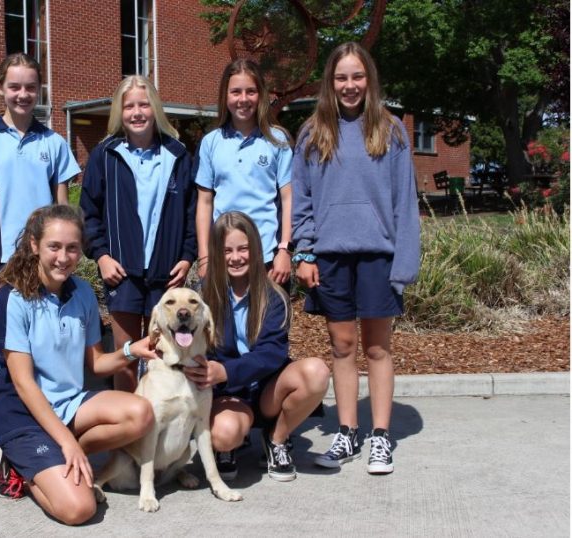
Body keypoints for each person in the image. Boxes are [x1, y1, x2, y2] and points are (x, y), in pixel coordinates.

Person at [291, 42, 420, 475]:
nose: (349, 85)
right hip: (330, 258)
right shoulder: (312, 133)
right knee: (342, 347)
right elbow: (302, 202)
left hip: (378, 257)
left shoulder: (392, 131)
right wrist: (304, 254)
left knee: (378, 348)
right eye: (341, 78)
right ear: (330, 82)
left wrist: (404, 265)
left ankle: (380, 437)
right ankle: (347, 432)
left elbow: (405, 203)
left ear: (370, 80)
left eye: (357, 77)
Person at [0, 205, 156, 525]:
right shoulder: (11, 299)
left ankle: (62, 454)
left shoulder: (82, 293)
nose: (63, 257)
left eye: (72, 248)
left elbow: (96, 363)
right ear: (34, 245)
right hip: (24, 416)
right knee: (79, 509)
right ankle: (18, 465)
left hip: (69, 405)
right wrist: (67, 444)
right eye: (54, 247)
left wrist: (133, 350)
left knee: (141, 414)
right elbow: (23, 384)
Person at [184, 211, 330, 482]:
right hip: (227, 393)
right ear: (216, 253)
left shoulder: (274, 296)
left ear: (255, 248)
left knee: (317, 371)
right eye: (227, 250)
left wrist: (226, 371)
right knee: (224, 434)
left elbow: (273, 353)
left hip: (267, 389)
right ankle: (228, 447)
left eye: (243, 248)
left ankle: (276, 438)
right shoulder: (201, 296)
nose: (236, 257)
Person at [80, 75, 197, 392]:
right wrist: (102, 256)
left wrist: (187, 258)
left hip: (167, 274)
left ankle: (165, 435)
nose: (137, 112)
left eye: (144, 104)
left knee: (168, 356)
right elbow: (89, 212)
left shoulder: (178, 155)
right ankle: (127, 436)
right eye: (128, 105)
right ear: (119, 111)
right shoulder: (105, 155)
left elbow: (192, 215)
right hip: (122, 274)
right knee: (126, 358)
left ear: (155, 108)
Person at [0, 52, 80, 317]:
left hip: (44, 258)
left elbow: (63, 207)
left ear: (39, 90)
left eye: (30, 87)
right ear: (0, 89)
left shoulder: (54, 143)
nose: (23, 94)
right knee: (2, 343)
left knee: (43, 339)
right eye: (14, 87)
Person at [195, 59, 293, 287]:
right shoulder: (211, 143)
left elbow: (288, 199)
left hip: (267, 257)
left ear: (260, 95)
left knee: (268, 323)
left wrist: (285, 250)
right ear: (225, 96)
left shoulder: (278, 141)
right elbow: (205, 202)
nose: (243, 99)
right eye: (235, 92)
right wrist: (204, 257)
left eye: (251, 91)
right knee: (224, 324)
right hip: (223, 258)